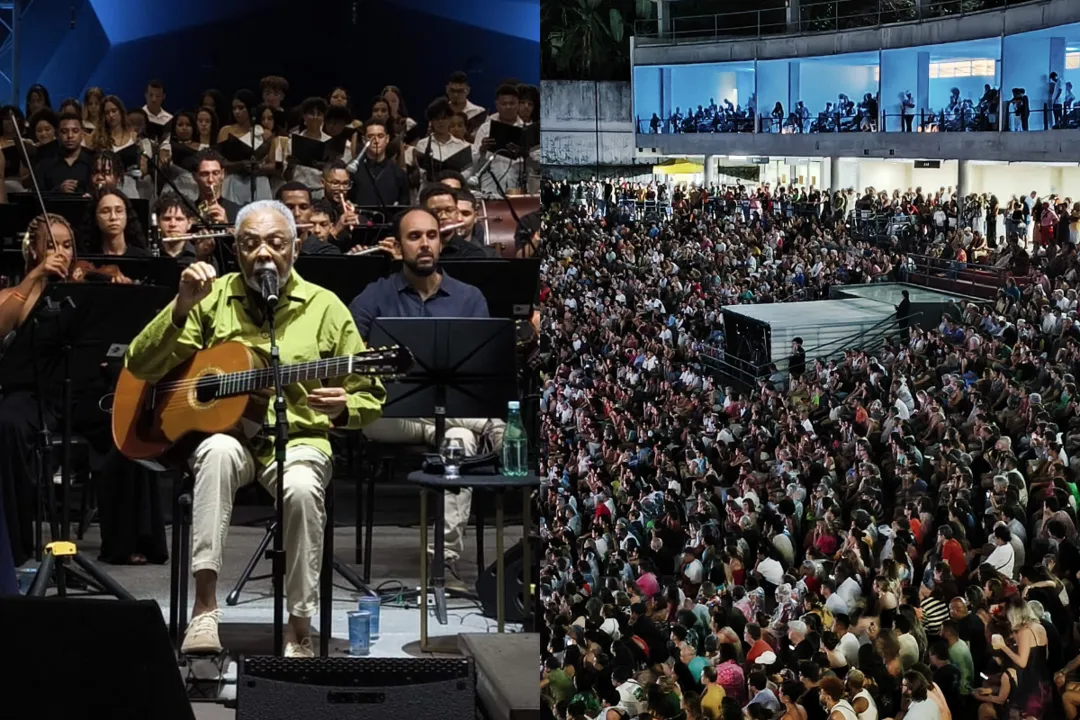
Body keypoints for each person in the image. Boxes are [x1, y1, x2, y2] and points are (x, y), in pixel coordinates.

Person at [123, 200, 386, 657]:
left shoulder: (325, 307)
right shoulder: (211, 297)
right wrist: (181, 308)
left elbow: (371, 394)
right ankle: (205, 612)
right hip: (230, 438)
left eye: (275, 242)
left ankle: (299, 628)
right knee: (217, 454)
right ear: (236, 250)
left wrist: (346, 407)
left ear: (295, 249)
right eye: (250, 244)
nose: (263, 253)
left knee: (302, 488)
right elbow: (141, 364)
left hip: (301, 439)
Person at [348, 207, 502, 588]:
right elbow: (347, 352)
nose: (425, 244)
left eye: (431, 235)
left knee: (462, 442)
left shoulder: (469, 299)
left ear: (441, 240)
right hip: (389, 415)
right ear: (398, 246)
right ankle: (496, 428)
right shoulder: (375, 295)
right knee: (475, 427)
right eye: (414, 237)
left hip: (450, 414)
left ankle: (443, 563)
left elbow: (481, 369)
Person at [348, 116, 409, 207]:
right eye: (370, 137)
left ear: (387, 139)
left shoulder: (398, 173)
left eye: (380, 136)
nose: (376, 141)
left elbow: (404, 207)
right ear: (364, 140)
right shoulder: (353, 171)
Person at [33, 110, 94, 193]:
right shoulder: (45, 162)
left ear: (82, 134)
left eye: (75, 131)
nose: (70, 136)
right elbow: (37, 197)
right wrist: (57, 191)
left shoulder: (93, 159)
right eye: (64, 131)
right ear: (58, 134)